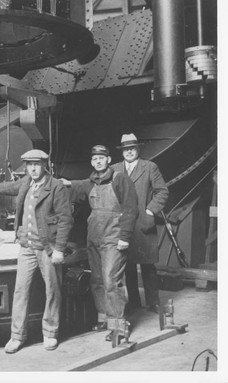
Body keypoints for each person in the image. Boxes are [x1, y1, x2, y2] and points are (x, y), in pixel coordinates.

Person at [0, 149, 73, 354]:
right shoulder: (26, 183)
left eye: (37, 164)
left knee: (52, 291)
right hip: (26, 247)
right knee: (20, 291)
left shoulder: (56, 187)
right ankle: (17, 336)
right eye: (29, 165)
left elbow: (65, 220)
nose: (33, 168)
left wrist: (59, 249)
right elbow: (9, 187)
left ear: (45, 165)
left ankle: (50, 333)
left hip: (47, 248)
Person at [61, 145, 138, 341]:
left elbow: (131, 208)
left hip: (114, 236)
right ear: (92, 162)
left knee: (112, 280)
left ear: (109, 160)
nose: (98, 161)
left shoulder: (120, 179)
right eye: (95, 159)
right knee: (96, 279)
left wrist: (125, 237)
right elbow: (76, 187)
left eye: (101, 158)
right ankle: (104, 318)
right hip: (94, 236)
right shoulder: (90, 182)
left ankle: (119, 326)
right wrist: (64, 183)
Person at [112, 134, 169, 314]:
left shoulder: (150, 167)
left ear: (138, 149)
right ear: (122, 151)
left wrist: (150, 211)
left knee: (148, 266)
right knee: (127, 264)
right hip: (123, 223)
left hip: (143, 223)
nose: (129, 152)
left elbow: (162, 191)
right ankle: (134, 302)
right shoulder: (114, 169)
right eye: (125, 149)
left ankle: (153, 302)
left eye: (132, 148)